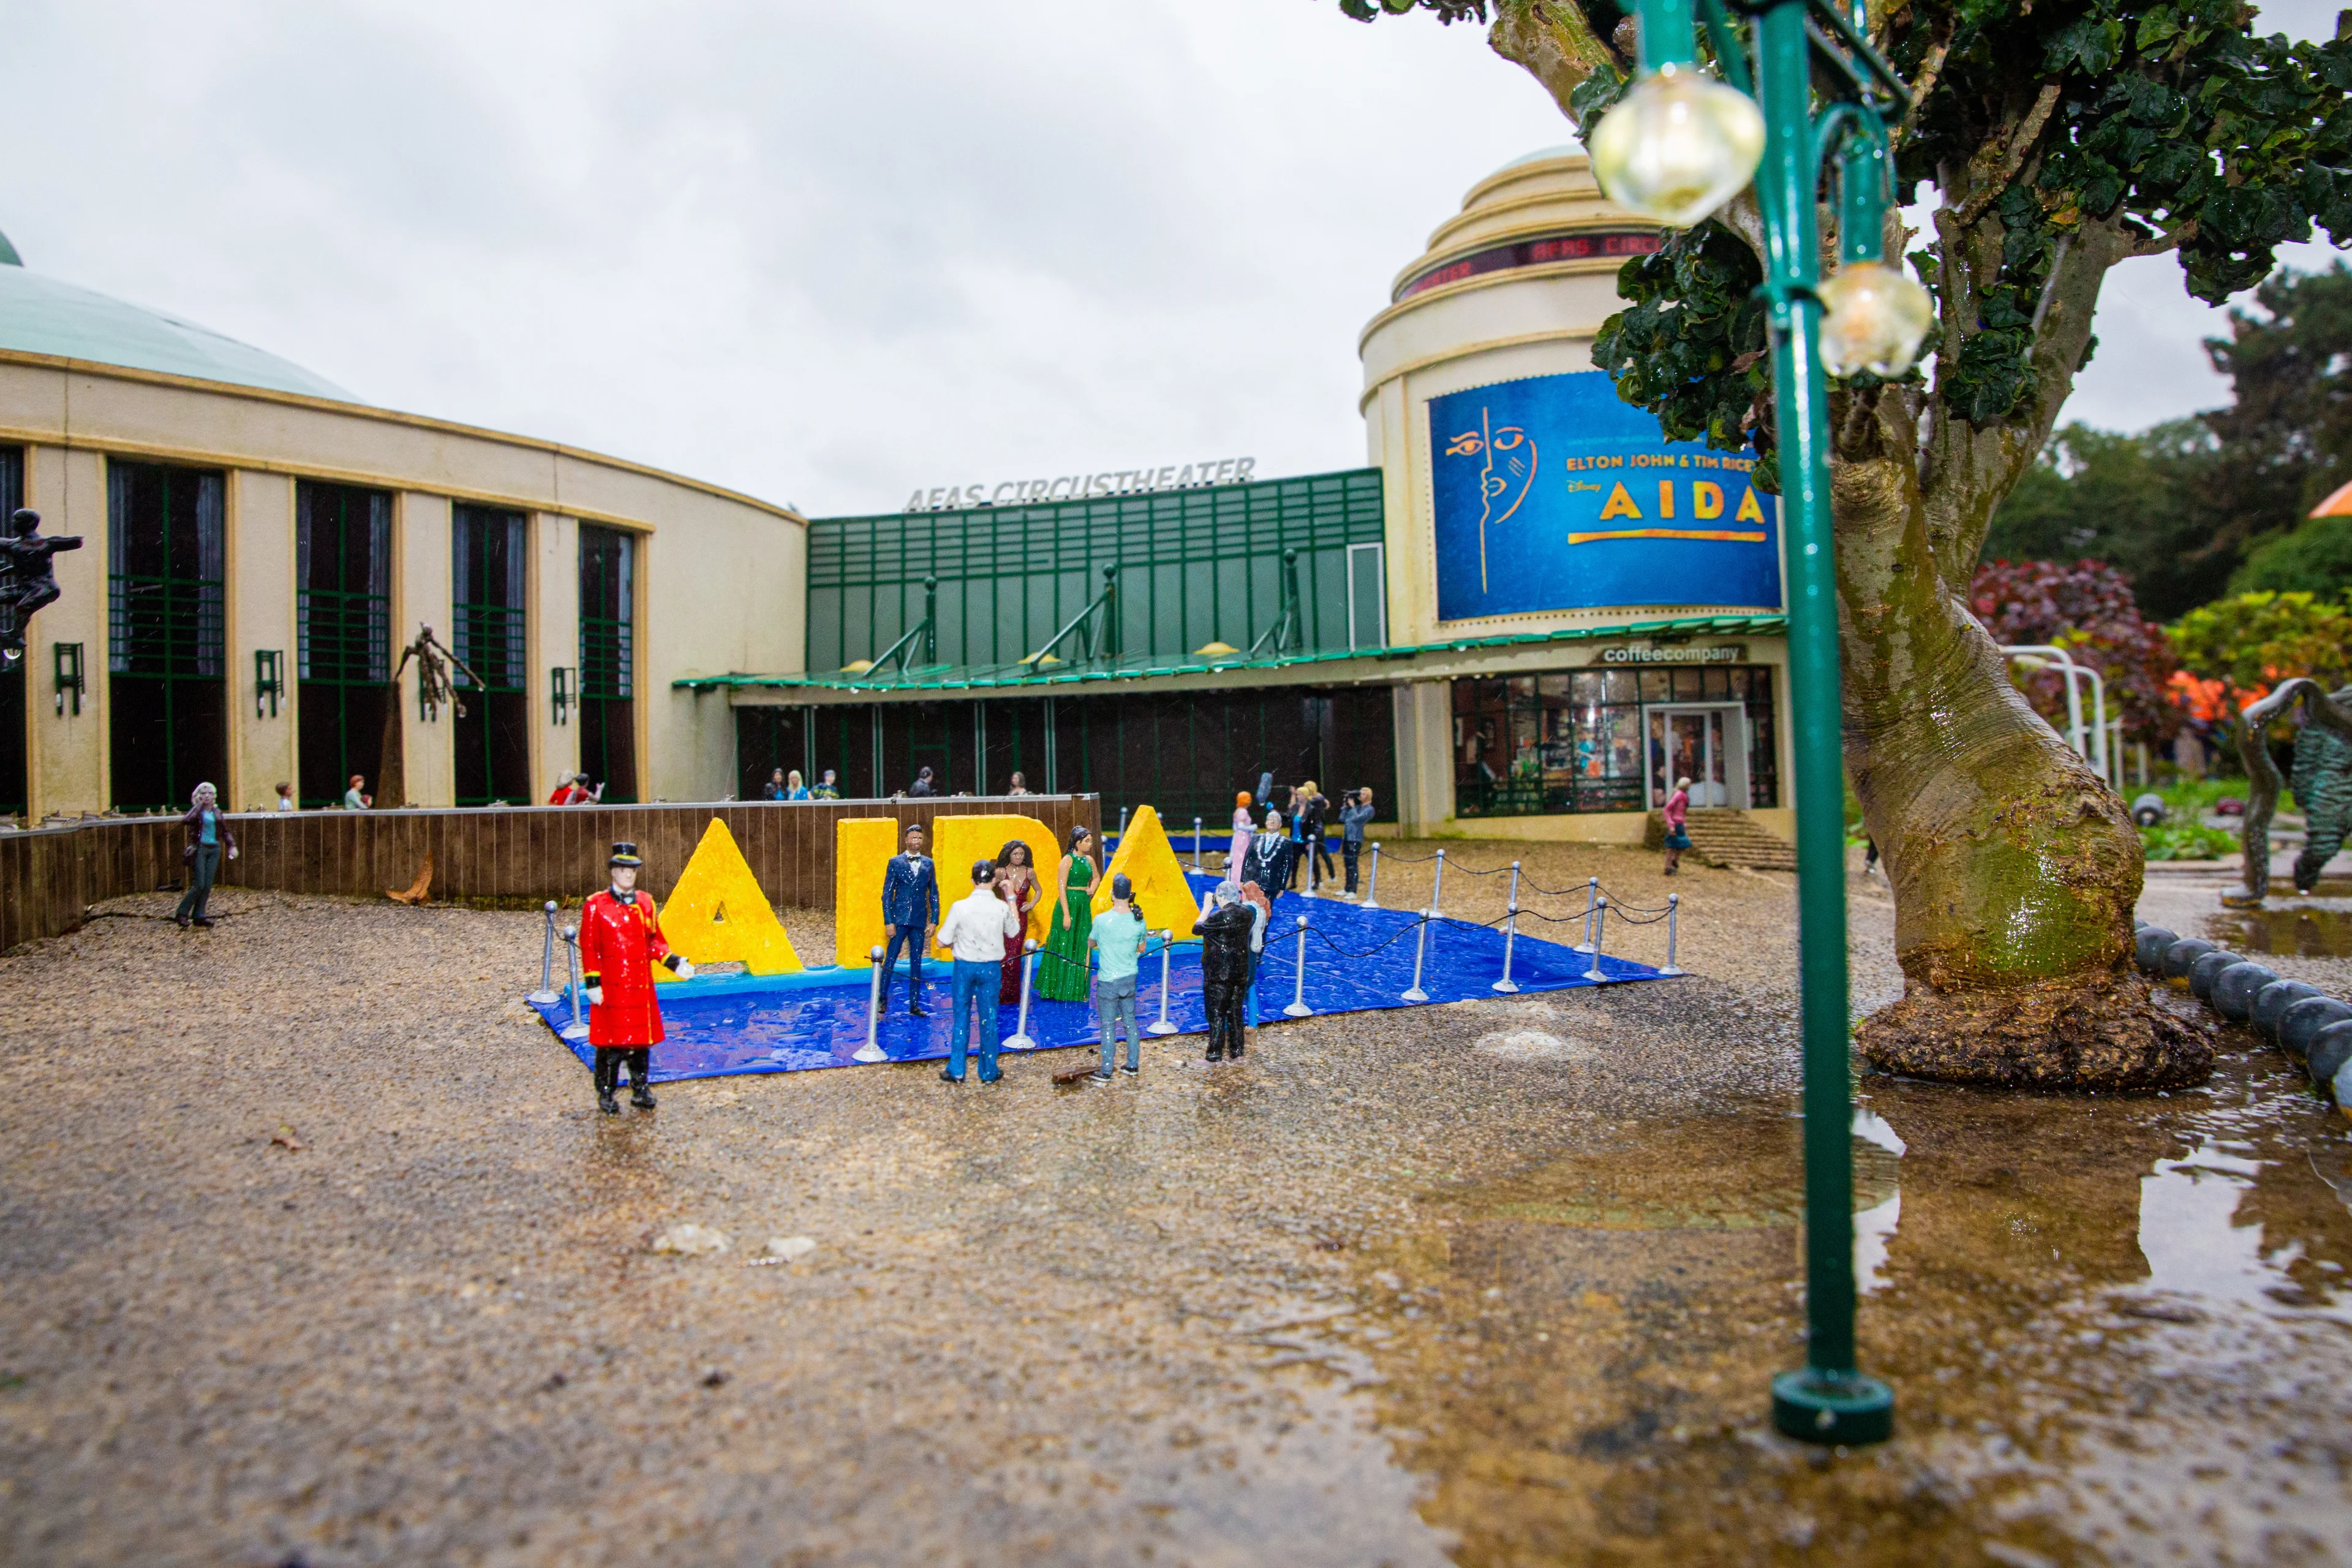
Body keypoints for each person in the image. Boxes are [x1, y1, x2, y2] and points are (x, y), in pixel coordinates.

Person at [578, 840, 695, 1114]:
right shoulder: (596, 906)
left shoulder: (646, 902)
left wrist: (674, 962)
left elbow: (654, 941)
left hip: (639, 986)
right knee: (611, 1043)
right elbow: (589, 946)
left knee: (640, 1042)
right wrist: (593, 982)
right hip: (612, 986)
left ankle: (640, 1087)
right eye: (623, 870)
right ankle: (606, 1092)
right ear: (613, 872)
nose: (628, 875)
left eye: (632, 870)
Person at [935, 858, 1022, 1084]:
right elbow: (1014, 931)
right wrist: (1011, 896)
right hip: (991, 968)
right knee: (990, 1018)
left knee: (961, 1016)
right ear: (994, 880)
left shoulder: (960, 907)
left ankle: (957, 1069)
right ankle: (989, 1070)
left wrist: (956, 942)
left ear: (972, 880)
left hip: (964, 966)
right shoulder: (1001, 907)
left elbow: (942, 941)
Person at [1087, 873, 1150, 1084]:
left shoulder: (1102, 920)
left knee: (1107, 1025)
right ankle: (1132, 1064)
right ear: (1130, 894)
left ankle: (1106, 1070)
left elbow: (1091, 943)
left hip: (1108, 979)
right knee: (1130, 1022)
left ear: (1113, 894)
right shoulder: (1139, 920)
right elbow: (1142, 947)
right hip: (1129, 977)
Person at [0, 509, 82, 665]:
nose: (13, 523)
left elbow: (76, 542)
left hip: (44, 588)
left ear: (30, 524)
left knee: (24, 606)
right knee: (16, 601)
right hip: (22, 588)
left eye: (17, 520)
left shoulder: (46, 543)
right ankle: (8, 638)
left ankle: (15, 635)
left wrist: (78, 540)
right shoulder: (13, 545)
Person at [1193, 881, 1255, 1063]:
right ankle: (1237, 1052)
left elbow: (1197, 929)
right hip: (1240, 970)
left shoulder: (1218, 917)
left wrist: (1206, 908)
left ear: (1221, 896)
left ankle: (1214, 1055)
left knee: (1216, 1013)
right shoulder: (1246, 913)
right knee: (1235, 1012)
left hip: (1220, 973)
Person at [880, 824, 940, 1015]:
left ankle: (914, 1004)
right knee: (890, 959)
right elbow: (887, 894)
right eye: (913, 838)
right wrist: (889, 921)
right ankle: (881, 999)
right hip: (899, 919)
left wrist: (934, 920)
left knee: (917, 961)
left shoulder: (929, 864)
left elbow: (934, 894)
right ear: (906, 840)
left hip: (919, 920)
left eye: (920, 839)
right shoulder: (895, 862)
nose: (917, 841)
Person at [1036, 823, 1098, 1002]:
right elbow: (1061, 888)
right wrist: (1066, 913)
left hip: (1083, 906)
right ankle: (1058, 987)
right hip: (1069, 902)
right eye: (1087, 841)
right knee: (1064, 943)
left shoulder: (1090, 861)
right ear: (1077, 842)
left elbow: (1096, 877)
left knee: (1082, 943)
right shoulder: (1067, 860)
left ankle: (1079, 988)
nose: (1090, 845)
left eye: (1091, 841)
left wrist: (1092, 888)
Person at [175, 782, 238, 929]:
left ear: (214, 796)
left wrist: (231, 845)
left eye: (209, 793)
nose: (207, 796)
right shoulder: (197, 812)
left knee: (207, 885)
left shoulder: (217, 812)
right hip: (200, 848)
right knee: (199, 885)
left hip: (214, 849)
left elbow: (225, 831)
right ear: (199, 796)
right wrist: (198, 806)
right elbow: (186, 820)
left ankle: (199, 914)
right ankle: (182, 913)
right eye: (203, 793)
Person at [992, 838, 1040, 1003]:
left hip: (1021, 918)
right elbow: (987, 887)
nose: (1019, 856)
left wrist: (1031, 904)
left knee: (1016, 954)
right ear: (1009, 855)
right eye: (1015, 854)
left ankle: (1013, 994)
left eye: (1021, 854)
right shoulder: (1001, 872)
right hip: (1004, 918)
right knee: (1003, 955)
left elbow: (1039, 890)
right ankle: (1000, 991)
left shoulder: (1030, 872)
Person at [1237, 878, 1271, 1031]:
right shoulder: (1262, 906)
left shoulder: (1248, 908)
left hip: (1243, 954)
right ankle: (1253, 1025)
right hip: (1251, 949)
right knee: (1251, 991)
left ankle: (1234, 1029)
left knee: (1240, 994)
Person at [1247, 809, 1291, 904]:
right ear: (1266, 823)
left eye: (1275, 820)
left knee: (1267, 908)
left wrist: (1282, 886)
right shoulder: (1256, 839)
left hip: (1271, 884)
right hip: (1254, 881)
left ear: (1280, 825)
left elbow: (1286, 866)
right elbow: (1248, 859)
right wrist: (1244, 879)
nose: (1272, 822)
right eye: (1270, 819)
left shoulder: (1285, 843)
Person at [1340, 787, 1375, 897]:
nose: (1361, 796)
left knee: (1353, 865)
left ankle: (1353, 891)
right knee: (1347, 864)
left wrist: (1353, 807)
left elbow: (1357, 819)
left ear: (1368, 796)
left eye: (1364, 794)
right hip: (1347, 838)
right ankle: (1347, 888)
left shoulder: (1369, 809)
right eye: (1361, 794)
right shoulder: (1358, 807)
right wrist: (1345, 807)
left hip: (1355, 839)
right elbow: (1343, 819)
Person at [1302, 781, 1336, 889]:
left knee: (1317, 854)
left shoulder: (1316, 799)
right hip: (1318, 827)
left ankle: (1324, 878)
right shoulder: (1319, 799)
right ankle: (1326, 876)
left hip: (1317, 829)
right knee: (1321, 853)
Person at [1662, 774, 1692, 875]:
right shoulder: (1678, 795)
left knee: (1683, 844)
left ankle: (1674, 861)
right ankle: (1668, 867)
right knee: (1671, 847)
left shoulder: (1684, 796)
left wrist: (1684, 822)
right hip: (1674, 824)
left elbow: (1682, 811)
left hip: (1680, 823)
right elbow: (1667, 809)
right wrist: (1671, 825)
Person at [1284, 793, 1308, 890]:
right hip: (1295, 840)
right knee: (1294, 863)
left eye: (1300, 795)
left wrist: (1310, 841)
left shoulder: (1310, 808)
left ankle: (1318, 881)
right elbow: (1288, 816)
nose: (1298, 797)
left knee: (1313, 861)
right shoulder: (1296, 807)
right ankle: (1293, 882)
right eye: (1297, 795)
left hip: (1305, 840)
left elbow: (1311, 825)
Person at [1227, 791, 1255, 873]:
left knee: (1238, 857)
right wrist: (1252, 828)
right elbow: (1240, 826)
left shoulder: (1237, 811)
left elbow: (1235, 827)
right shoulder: (1243, 812)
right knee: (1242, 857)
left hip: (1238, 837)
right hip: (1243, 838)